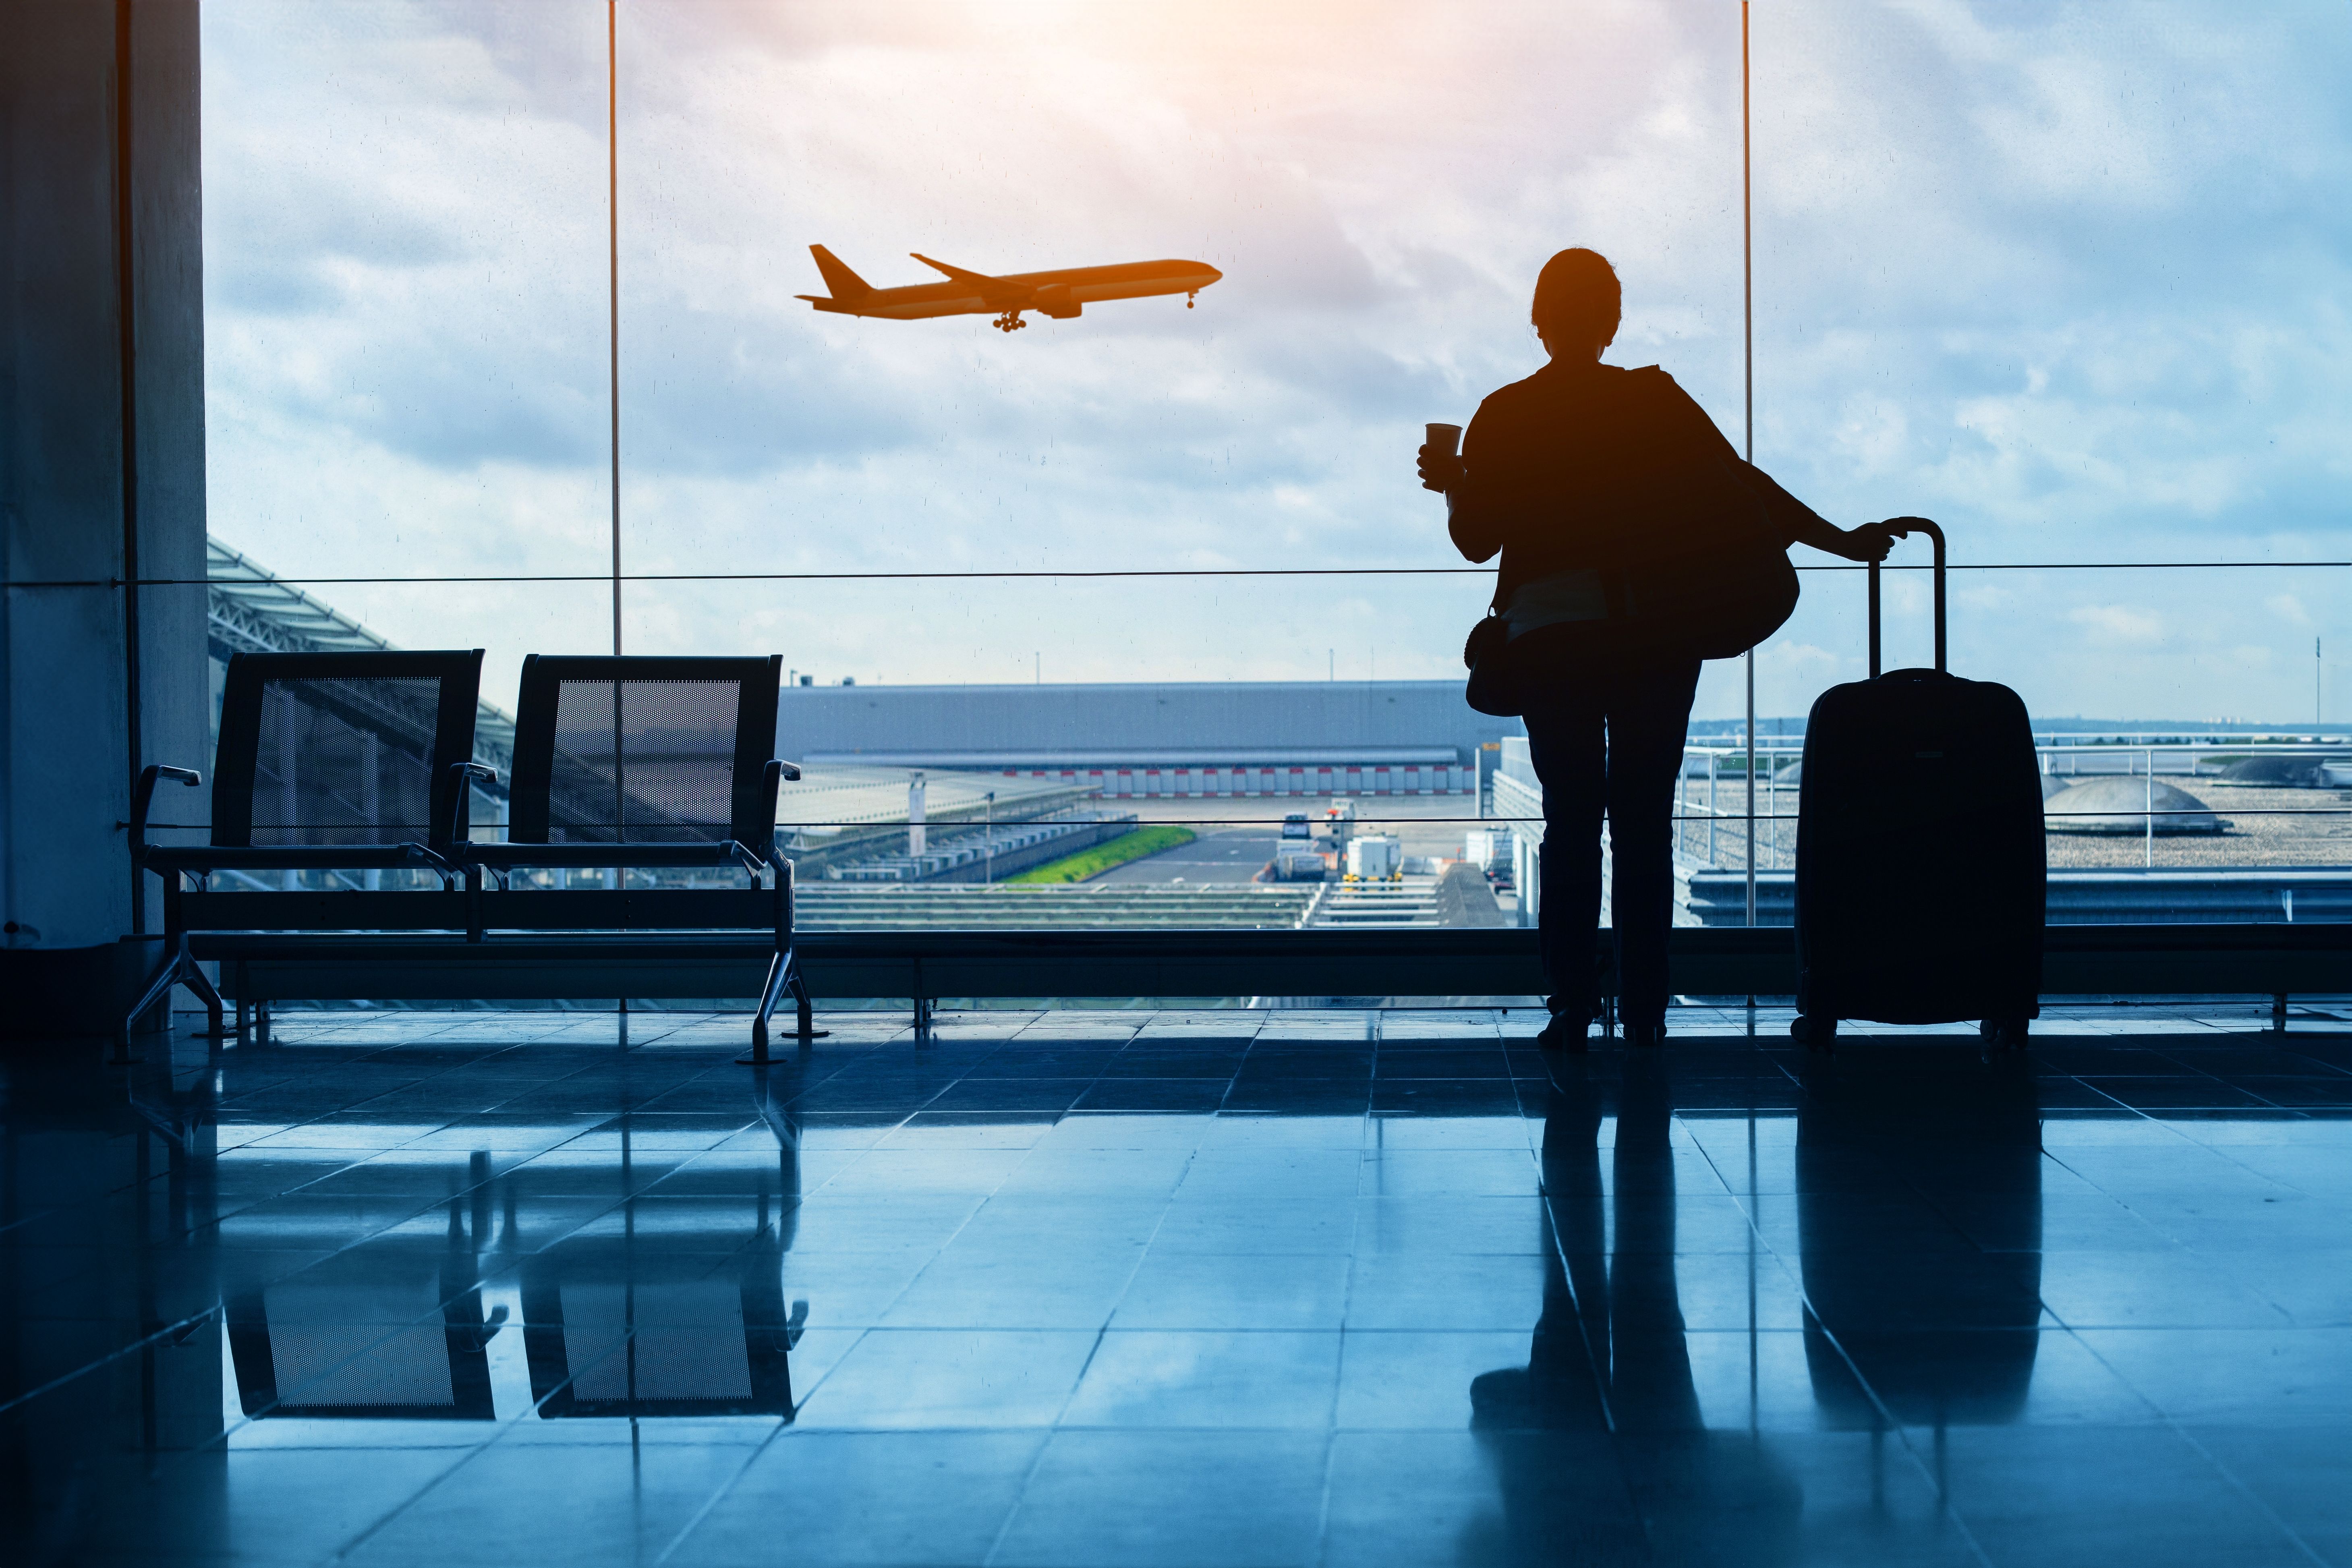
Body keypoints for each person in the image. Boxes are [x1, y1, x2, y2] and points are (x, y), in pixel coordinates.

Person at [1419, 248, 1891, 1048]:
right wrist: (1837, 541)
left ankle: (1571, 1005)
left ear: (1538, 320)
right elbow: (1741, 485)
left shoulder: (1504, 413)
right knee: (1643, 824)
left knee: (1571, 822)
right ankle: (1644, 1008)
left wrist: (1455, 479)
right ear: (1611, 319)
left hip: (1551, 637)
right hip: (1653, 635)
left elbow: (1473, 542)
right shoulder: (1653, 401)